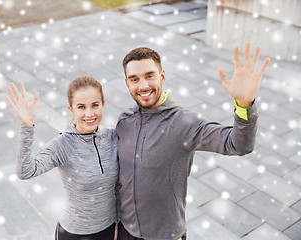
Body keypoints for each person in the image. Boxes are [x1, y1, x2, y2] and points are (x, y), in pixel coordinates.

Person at [115, 42, 270, 240]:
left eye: (149, 76)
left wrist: (244, 104)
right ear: (127, 83)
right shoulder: (124, 121)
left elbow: (239, 144)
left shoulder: (183, 123)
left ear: (162, 76)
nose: (143, 85)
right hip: (125, 232)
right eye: (134, 79)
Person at [5, 76, 119, 240]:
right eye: (81, 107)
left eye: (95, 105)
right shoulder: (62, 145)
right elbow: (25, 171)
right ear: (71, 109)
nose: (89, 113)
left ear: (103, 104)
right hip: (75, 234)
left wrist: (118, 224)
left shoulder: (112, 136)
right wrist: (27, 125)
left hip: (109, 230)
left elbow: (120, 189)